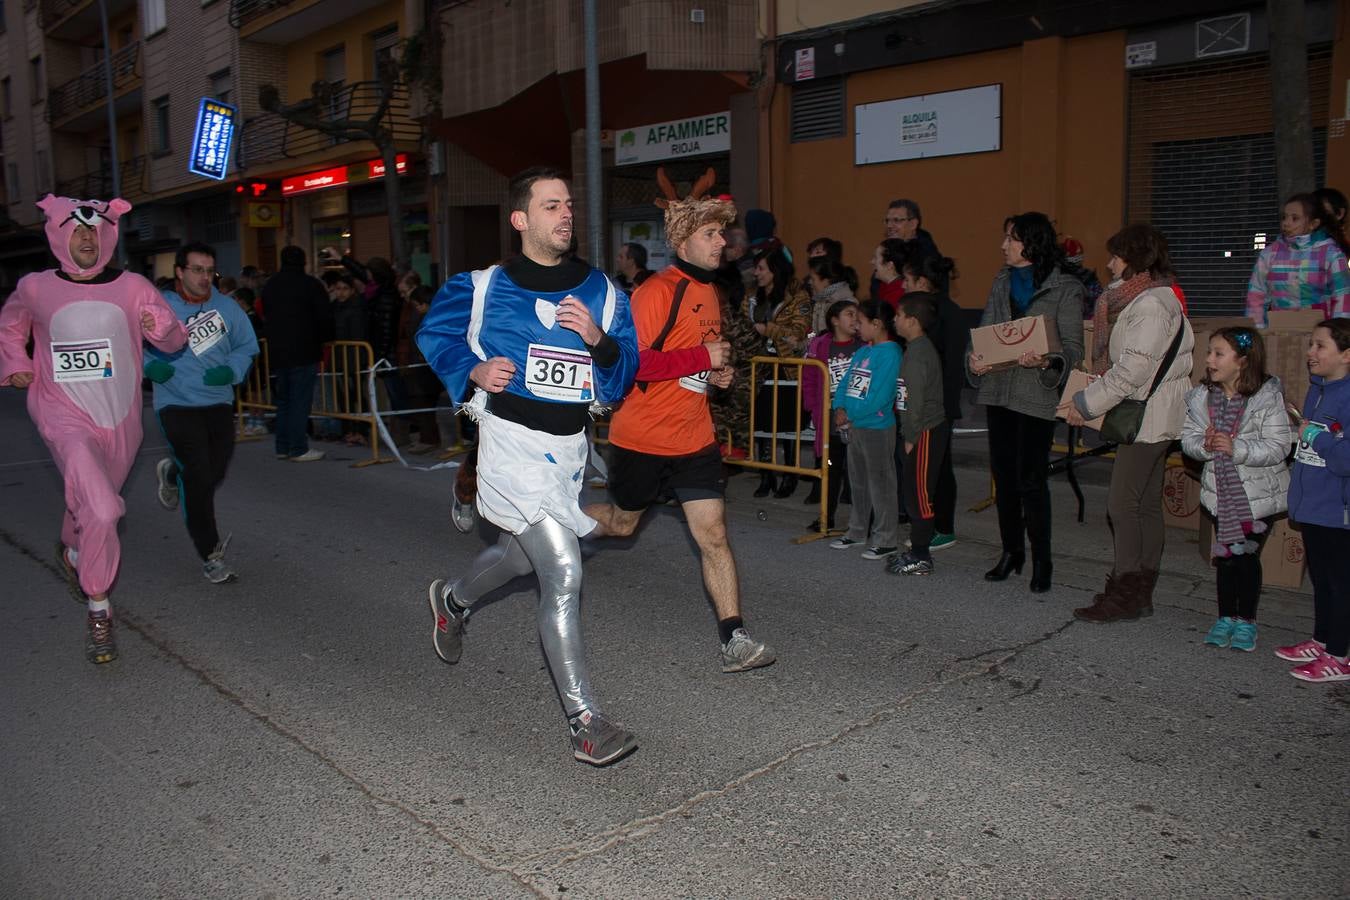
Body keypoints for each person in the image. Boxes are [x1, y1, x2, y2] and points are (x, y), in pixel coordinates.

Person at [416, 166, 640, 765]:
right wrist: (473, 369)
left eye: (568, 204)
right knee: (562, 571)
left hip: (569, 452)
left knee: (521, 557)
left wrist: (599, 339)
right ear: (521, 219)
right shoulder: (483, 287)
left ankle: (454, 602)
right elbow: (435, 334)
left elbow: (622, 374)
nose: (565, 214)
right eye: (550, 206)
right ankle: (585, 721)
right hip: (511, 445)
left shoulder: (604, 291)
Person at [584, 168, 775, 673]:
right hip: (642, 437)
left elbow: (699, 360)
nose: (722, 243)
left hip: (693, 438)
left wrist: (716, 376)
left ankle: (735, 638)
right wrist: (701, 358)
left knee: (713, 534)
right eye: (711, 234)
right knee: (622, 526)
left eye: (723, 233)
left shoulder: (711, 291)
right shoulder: (653, 293)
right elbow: (633, 363)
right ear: (683, 240)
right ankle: (557, 521)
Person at [0, 195, 186, 663]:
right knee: (102, 509)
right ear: (60, 235)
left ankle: (74, 551)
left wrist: (159, 324)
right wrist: (16, 362)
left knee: (89, 502)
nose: (86, 237)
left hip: (121, 417)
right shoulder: (36, 287)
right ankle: (99, 609)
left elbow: (173, 338)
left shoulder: (132, 286)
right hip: (61, 413)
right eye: (77, 231)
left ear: (107, 235)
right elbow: (10, 322)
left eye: (94, 231)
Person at [1065, 224, 1193, 620]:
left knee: (1122, 505)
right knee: (1144, 505)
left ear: (1134, 258)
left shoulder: (1150, 305)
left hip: (1148, 417)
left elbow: (1131, 370)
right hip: (1155, 414)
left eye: (1115, 256)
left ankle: (1125, 591)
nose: (1108, 264)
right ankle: (1139, 593)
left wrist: (1085, 403)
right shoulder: (1155, 298)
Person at [968, 213, 1084, 593]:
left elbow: (1072, 348)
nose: (1003, 245)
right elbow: (986, 331)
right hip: (999, 391)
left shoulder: (1065, 288)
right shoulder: (1001, 281)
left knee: (1031, 481)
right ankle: (1011, 552)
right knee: (1004, 478)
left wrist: (1048, 360)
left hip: (1035, 395)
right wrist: (973, 356)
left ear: (1031, 243)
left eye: (1010, 238)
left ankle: (1042, 561)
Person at [146, 242, 259, 584]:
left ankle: (171, 476)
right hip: (176, 402)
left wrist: (233, 370)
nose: (205, 277)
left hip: (219, 401)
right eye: (197, 270)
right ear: (180, 271)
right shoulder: (159, 307)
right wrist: (149, 365)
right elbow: (128, 345)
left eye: (210, 271)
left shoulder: (227, 308)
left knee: (214, 472)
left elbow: (246, 347)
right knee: (197, 474)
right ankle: (211, 553)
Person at [1180, 327, 1291, 651]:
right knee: (1226, 557)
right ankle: (1225, 616)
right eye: (1209, 351)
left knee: (1245, 557)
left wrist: (1237, 447)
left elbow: (1278, 445)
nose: (1209, 359)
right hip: (1221, 492)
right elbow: (1188, 439)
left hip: (1256, 496)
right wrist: (1204, 444)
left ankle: (1247, 621)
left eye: (1218, 353)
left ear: (1242, 361)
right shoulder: (1201, 397)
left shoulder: (1266, 396)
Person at [1279, 317, 1350, 682]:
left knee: (1340, 582)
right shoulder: (1317, 389)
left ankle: (1339, 655)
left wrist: (1314, 436)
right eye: (1311, 344)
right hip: (1313, 504)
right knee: (1321, 580)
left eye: (1321, 346)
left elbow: (1344, 458)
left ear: (1347, 355)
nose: (1311, 352)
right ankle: (1322, 641)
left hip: (1337, 509)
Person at [901, 253, 969, 550]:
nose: (903, 285)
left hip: (936, 407)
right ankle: (925, 524)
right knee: (929, 469)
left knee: (937, 469)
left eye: (908, 280)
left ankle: (940, 527)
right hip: (931, 404)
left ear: (922, 282)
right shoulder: (933, 313)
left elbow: (949, 365)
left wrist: (939, 408)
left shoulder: (943, 316)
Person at [829, 300, 902, 560]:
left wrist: (851, 415)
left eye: (860, 322)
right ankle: (857, 530)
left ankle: (886, 539)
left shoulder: (891, 354)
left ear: (877, 324)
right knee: (858, 482)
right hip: (855, 426)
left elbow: (880, 395)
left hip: (876, 428)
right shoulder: (863, 351)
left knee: (881, 484)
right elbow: (847, 380)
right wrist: (838, 407)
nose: (856, 326)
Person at [886, 293, 949, 576]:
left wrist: (910, 436)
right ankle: (917, 551)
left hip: (923, 430)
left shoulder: (918, 354)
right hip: (920, 430)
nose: (894, 320)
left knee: (919, 494)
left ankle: (921, 556)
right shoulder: (916, 348)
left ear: (912, 321)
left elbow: (916, 401)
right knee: (914, 491)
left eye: (898, 315)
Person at [748, 244, 812, 498]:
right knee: (762, 425)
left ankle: (790, 474)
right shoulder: (754, 297)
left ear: (775, 269)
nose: (756, 273)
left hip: (787, 370)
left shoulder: (798, 297)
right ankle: (766, 475)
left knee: (788, 426)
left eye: (761, 268)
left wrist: (769, 330)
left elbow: (798, 335)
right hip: (760, 369)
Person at [259, 245, 333, 461]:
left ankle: (282, 446)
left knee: (284, 400)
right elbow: (324, 316)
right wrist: (326, 338)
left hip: (278, 350)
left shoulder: (271, 285)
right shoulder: (311, 285)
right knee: (300, 400)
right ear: (304, 262)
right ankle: (298, 447)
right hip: (304, 349)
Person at [1246, 193, 1350, 326]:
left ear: (1313, 224)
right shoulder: (1269, 254)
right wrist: (1259, 330)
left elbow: (1343, 296)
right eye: (1284, 217)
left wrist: (1337, 335)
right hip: (1279, 330)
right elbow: (1256, 295)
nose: (1286, 223)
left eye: (1295, 218)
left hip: (1320, 333)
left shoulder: (1330, 253)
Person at [802, 299, 861, 531]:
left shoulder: (863, 346)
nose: (855, 319)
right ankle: (827, 516)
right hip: (829, 420)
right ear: (835, 320)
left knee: (857, 471)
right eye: (849, 314)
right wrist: (812, 408)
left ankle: (861, 520)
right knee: (830, 466)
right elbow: (809, 377)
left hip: (857, 420)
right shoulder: (820, 346)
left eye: (857, 314)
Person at [805, 256, 857, 336]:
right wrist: (801, 343)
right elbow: (815, 334)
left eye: (812, 279)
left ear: (826, 281)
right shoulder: (821, 301)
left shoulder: (847, 305)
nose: (809, 282)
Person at [870, 239, 907, 310]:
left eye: (875, 258)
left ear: (889, 265)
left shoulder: (897, 295)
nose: (872, 262)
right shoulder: (884, 286)